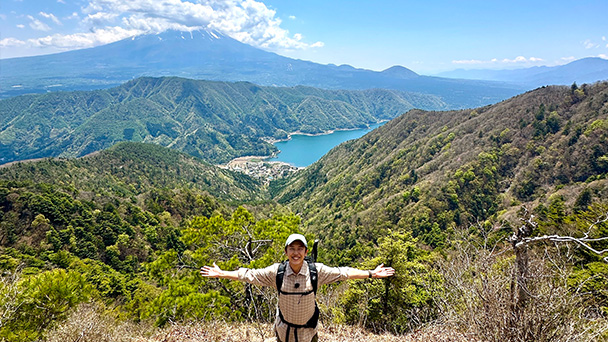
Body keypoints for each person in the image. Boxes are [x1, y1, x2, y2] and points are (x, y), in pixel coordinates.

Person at [200, 233, 395, 342]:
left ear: (305, 251)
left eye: (300, 249)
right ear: (286, 252)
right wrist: (222, 273)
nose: (296, 253)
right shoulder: (276, 272)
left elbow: (343, 272)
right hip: (283, 332)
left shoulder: (316, 271)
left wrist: (371, 273)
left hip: (307, 334)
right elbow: (249, 275)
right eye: (291, 249)